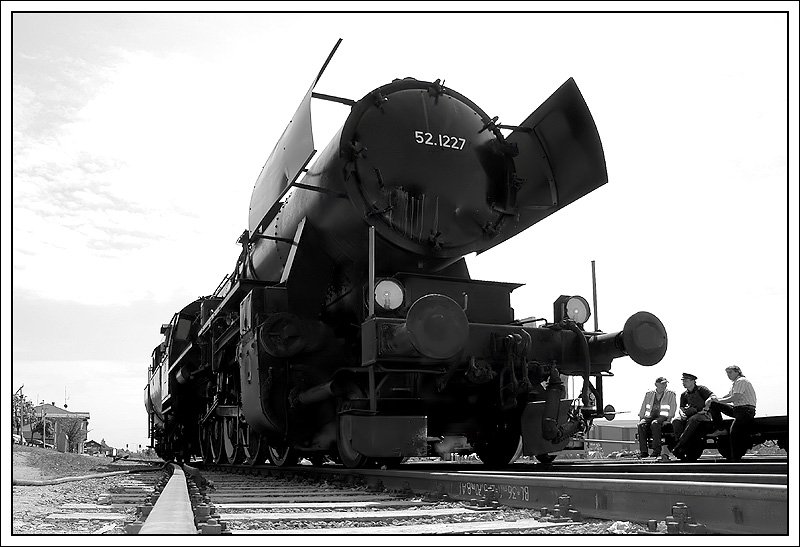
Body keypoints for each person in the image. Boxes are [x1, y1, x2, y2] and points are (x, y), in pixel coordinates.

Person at [705, 365, 757, 455]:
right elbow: (728, 396)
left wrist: (718, 400)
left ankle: (736, 458)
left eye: (730, 372)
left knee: (734, 432)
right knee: (714, 404)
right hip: (738, 409)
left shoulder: (741, 381)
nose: (728, 375)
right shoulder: (735, 383)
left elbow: (735, 397)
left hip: (745, 410)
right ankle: (720, 429)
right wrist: (714, 399)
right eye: (727, 373)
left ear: (738, 372)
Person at [671, 372, 714, 458]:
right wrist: (682, 414)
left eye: (686, 381)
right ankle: (681, 443)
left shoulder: (701, 389)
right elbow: (681, 407)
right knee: (676, 421)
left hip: (704, 415)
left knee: (693, 420)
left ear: (693, 381)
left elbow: (712, 396)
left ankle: (680, 445)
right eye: (683, 381)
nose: (683, 383)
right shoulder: (684, 394)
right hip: (691, 414)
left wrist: (705, 408)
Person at [637, 376, 677, 457]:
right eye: (662, 384)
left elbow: (673, 407)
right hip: (650, 416)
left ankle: (656, 450)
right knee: (641, 425)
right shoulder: (649, 394)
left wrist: (669, 419)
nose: (664, 386)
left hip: (662, 416)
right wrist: (641, 418)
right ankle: (644, 451)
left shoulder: (670, 394)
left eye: (665, 384)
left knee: (655, 424)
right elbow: (644, 406)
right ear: (656, 384)